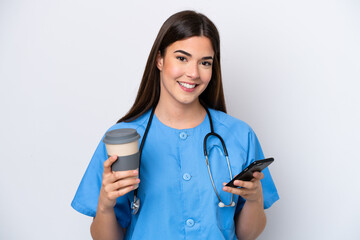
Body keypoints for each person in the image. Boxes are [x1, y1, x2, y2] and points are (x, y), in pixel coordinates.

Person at [71, 10, 279, 240]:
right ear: (160, 59)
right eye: (182, 58)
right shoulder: (122, 139)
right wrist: (105, 205)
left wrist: (254, 198)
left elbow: (247, 235)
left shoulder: (239, 135)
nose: (193, 73)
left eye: (205, 62)